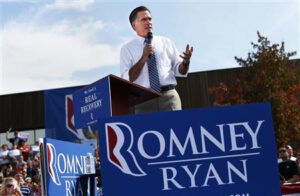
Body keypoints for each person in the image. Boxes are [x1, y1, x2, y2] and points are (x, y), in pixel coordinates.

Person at [120, 6, 193, 114]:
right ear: (134, 25)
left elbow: (180, 70)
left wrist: (186, 62)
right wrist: (143, 58)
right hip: (143, 101)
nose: (148, 22)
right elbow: (127, 79)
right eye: (144, 19)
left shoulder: (166, 42)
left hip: (169, 97)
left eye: (150, 19)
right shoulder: (127, 49)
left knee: (176, 129)